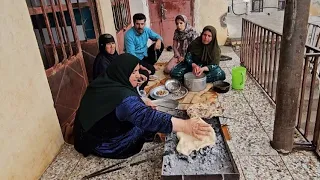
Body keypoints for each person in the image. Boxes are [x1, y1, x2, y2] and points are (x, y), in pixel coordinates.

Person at [73, 53, 212, 159]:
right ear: (122, 72)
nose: (137, 76)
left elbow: (123, 101)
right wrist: (185, 126)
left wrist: (142, 100)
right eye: (133, 72)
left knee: (144, 117)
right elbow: (147, 117)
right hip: (103, 144)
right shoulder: (123, 99)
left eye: (137, 71)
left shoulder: (107, 81)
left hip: (87, 132)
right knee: (142, 126)